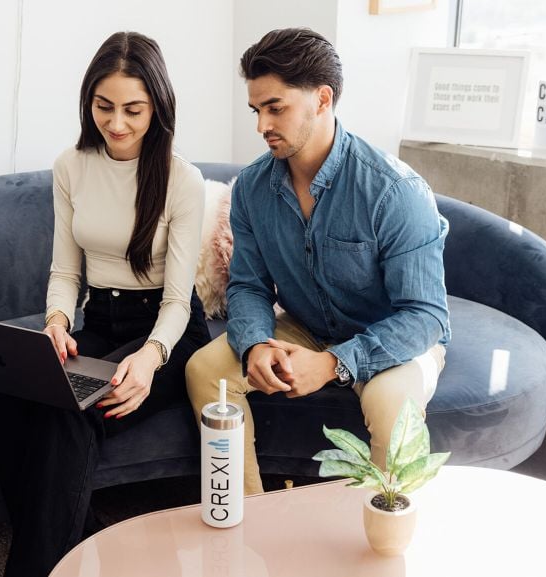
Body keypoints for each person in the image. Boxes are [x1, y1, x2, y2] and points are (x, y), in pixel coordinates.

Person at [0, 31, 210, 576]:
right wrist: (57, 324)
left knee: (69, 412)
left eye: (134, 110)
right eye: (104, 107)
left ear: (157, 107)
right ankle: (85, 546)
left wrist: (150, 359)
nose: (117, 124)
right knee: (5, 400)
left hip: (170, 334)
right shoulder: (71, 166)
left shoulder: (183, 180)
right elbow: (65, 272)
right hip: (100, 320)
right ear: (89, 101)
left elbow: (179, 301)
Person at [186, 28, 450, 496]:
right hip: (304, 323)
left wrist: (333, 364)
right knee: (205, 371)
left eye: (276, 107)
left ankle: (384, 551)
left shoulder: (395, 191)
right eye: (257, 109)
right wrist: (255, 345)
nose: (262, 124)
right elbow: (248, 285)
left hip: (393, 339)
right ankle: (245, 521)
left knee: (393, 407)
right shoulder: (251, 189)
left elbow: (424, 317)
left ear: (322, 99)